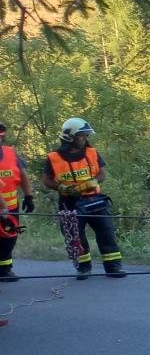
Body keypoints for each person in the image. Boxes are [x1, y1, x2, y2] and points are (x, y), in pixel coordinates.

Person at [42, 117, 125, 279]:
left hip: (95, 200)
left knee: (106, 232)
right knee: (75, 235)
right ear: (70, 137)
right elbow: (46, 180)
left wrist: (91, 183)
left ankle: (113, 267)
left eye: (86, 135)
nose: (85, 139)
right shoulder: (53, 157)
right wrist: (61, 187)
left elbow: (102, 174)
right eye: (82, 135)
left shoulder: (92, 152)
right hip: (69, 203)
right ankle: (83, 267)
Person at [0, 121, 36, 284]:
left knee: (9, 238)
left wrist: (29, 197)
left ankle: (5, 270)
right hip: (3, 208)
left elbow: (23, 175)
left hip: (10, 208)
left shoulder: (11, 153)